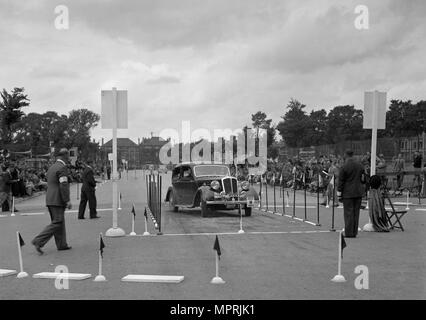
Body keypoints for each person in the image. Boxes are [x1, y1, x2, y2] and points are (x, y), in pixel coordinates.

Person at [31, 148, 72, 255]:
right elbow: (63, 185)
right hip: (57, 199)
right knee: (58, 222)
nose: (69, 158)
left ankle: (62, 244)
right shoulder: (62, 168)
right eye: (68, 155)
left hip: (50, 198)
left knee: (59, 222)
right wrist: (67, 200)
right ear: (65, 155)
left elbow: (50, 183)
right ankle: (38, 240)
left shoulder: (52, 167)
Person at [337, 150, 366, 238]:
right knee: (356, 213)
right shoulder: (360, 165)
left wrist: (339, 193)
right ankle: (354, 232)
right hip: (358, 192)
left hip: (348, 192)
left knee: (348, 213)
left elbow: (341, 181)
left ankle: (349, 233)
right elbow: (363, 179)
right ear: (352, 155)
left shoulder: (344, 166)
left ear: (345, 155)